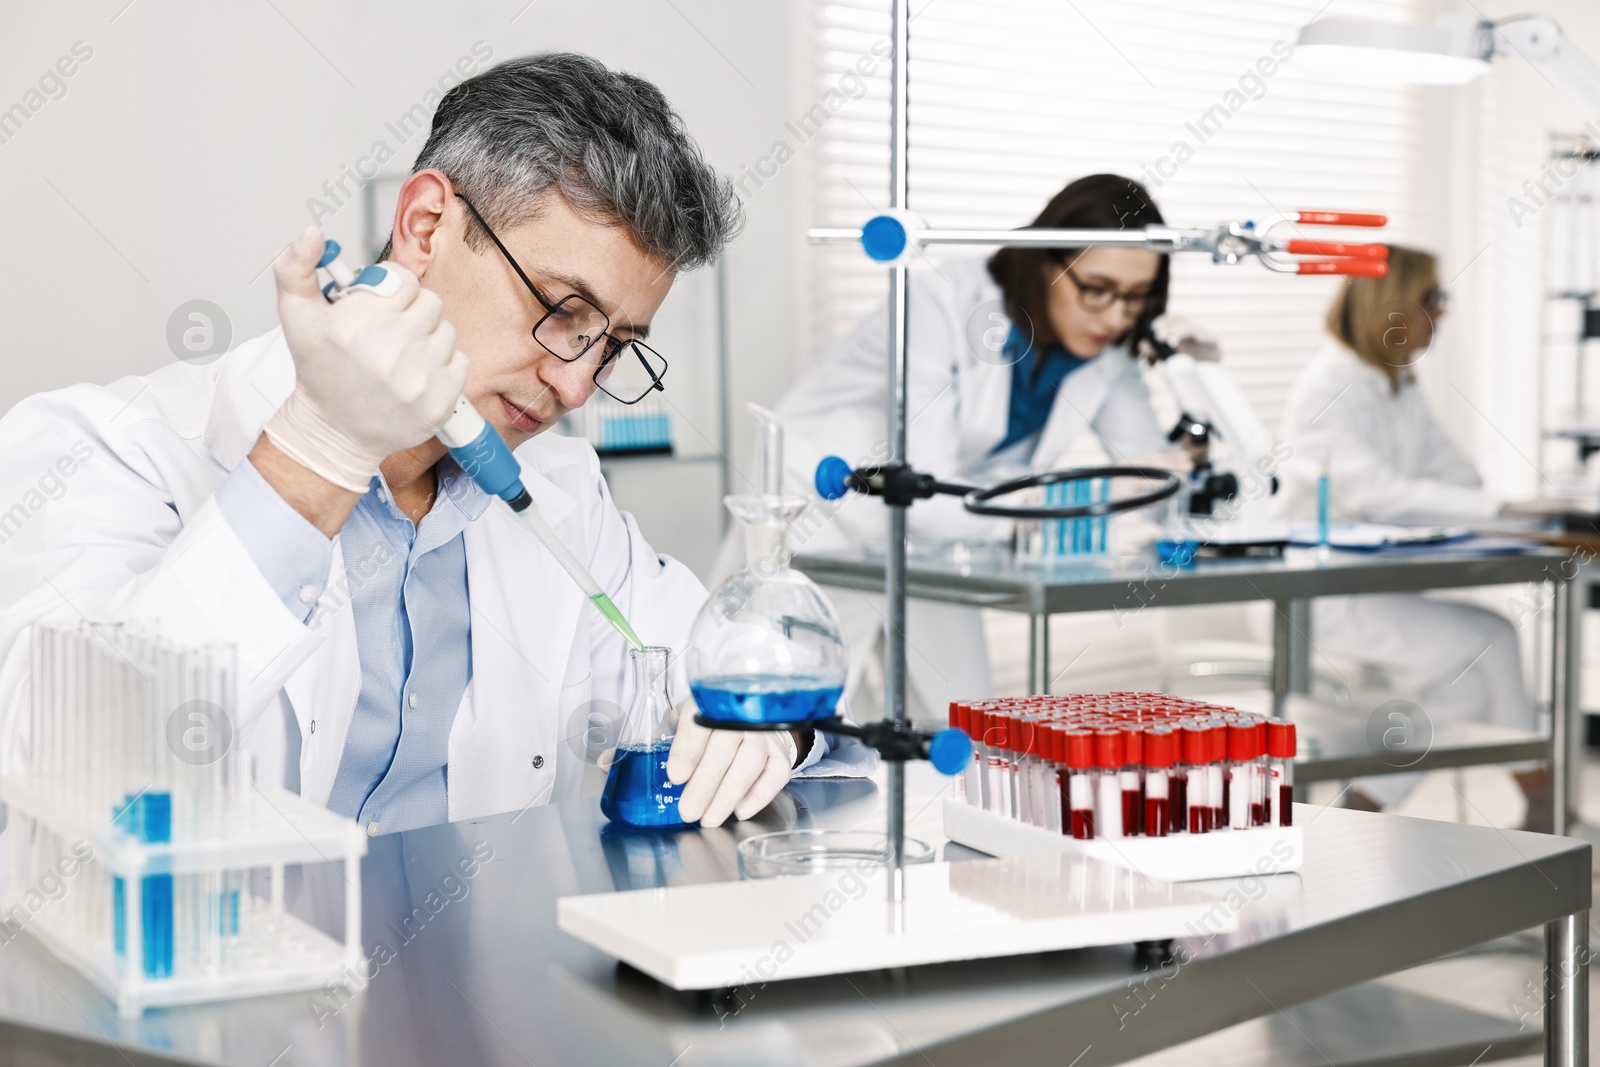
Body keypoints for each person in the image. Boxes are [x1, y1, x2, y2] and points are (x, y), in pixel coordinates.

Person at [0, 54, 869, 836]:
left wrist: (775, 729)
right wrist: (317, 452)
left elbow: (739, 672)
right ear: (423, 226)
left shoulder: (562, 496)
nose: (575, 386)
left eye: (615, 346)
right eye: (564, 310)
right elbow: (59, 761)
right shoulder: (109, 449)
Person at [773, 174, 1217, 716]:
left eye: (1136, 298)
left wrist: (1196, 381)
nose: (1116, 316)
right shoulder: (942, 299)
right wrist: (1067, 499)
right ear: (1048, 264)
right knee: (796, 722)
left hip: (938, 540)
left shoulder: (1108, 347)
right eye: (1098, 289)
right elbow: (927, 497)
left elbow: (1159, 484)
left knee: (964, 723)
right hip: (828, 510)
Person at [1273, 245, 1547, 827]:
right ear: (1392, 304)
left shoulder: (1395, 382)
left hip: (1372, 584)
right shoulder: (1329, 387)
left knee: (1479, 664)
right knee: (1477, 656)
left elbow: (1455, 478)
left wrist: (1497, 508)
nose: (1442, 313)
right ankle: (1539, 798)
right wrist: (1502, 509)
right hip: (1319, 597)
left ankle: (1367, 812)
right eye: (1434, 299)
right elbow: (1376, 492)